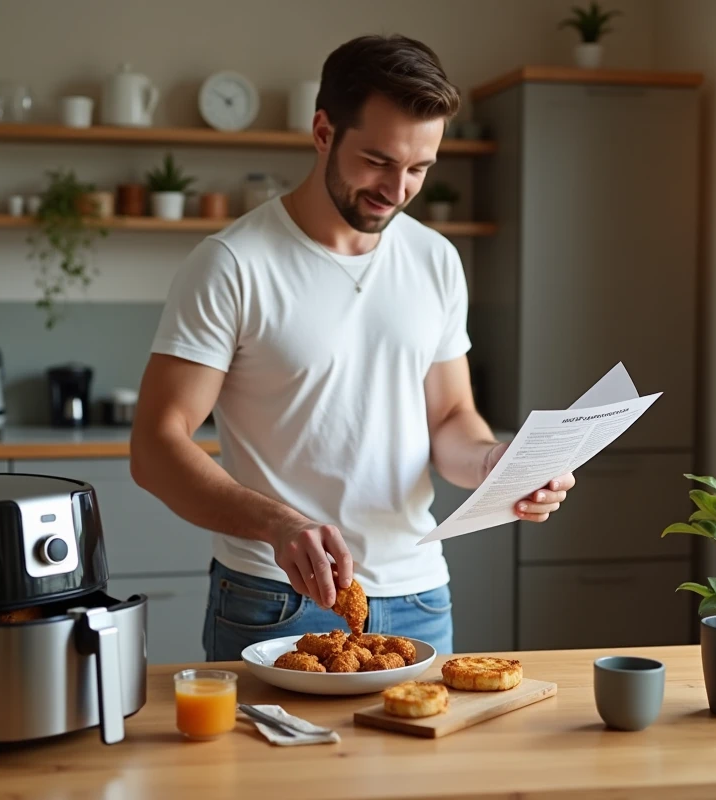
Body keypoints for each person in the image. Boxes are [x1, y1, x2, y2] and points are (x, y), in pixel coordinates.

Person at [129, 33, 575, 661]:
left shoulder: (436, 260)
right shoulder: (233, 264)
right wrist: (280, 525)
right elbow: (154, 446)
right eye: (379, 161)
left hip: (420, 596)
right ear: (323, 132)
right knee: (270, 765)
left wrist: (491, 465)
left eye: (419, 168)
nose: (397, 190)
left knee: (418, 760)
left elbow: (449, 417)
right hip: (274, 597)